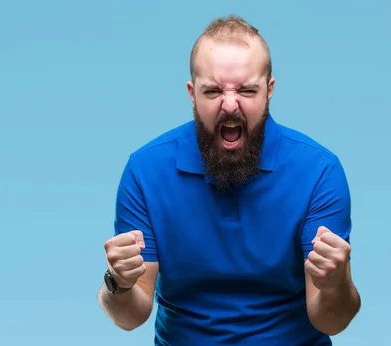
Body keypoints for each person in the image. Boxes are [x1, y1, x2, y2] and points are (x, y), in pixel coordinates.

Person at [97, 15, 361, 345]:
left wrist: (337, 283)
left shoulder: (319, 170)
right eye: (213, 91)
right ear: (193, 94)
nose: (230, 104)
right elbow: (130, 315)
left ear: (269, 91)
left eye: (247, 90)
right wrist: (118, 283)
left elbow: (331, 319)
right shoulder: (145, 170)